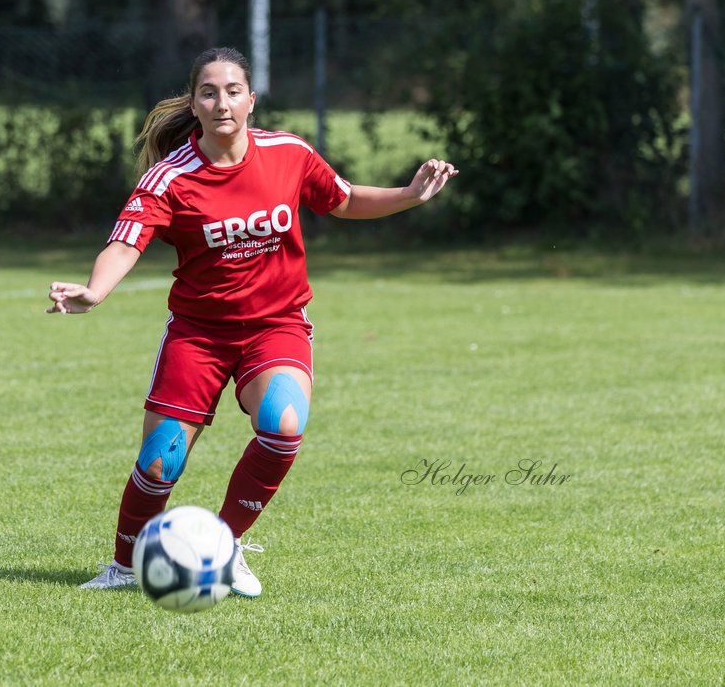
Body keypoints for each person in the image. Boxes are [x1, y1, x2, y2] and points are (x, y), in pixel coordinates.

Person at [48, 47, 457, 597]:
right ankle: (124, 568)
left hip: (276, 326)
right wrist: (94, 291)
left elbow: (344, 199)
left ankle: (225, 545)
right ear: (193, 103)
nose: (222, 103)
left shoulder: (287, 153)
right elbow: (126, 242)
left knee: (284, 424)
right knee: (160, 461)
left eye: (233, 91)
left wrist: (409, 195)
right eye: (209, 92)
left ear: (251, 99)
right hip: (199, 334)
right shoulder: (169, 179)